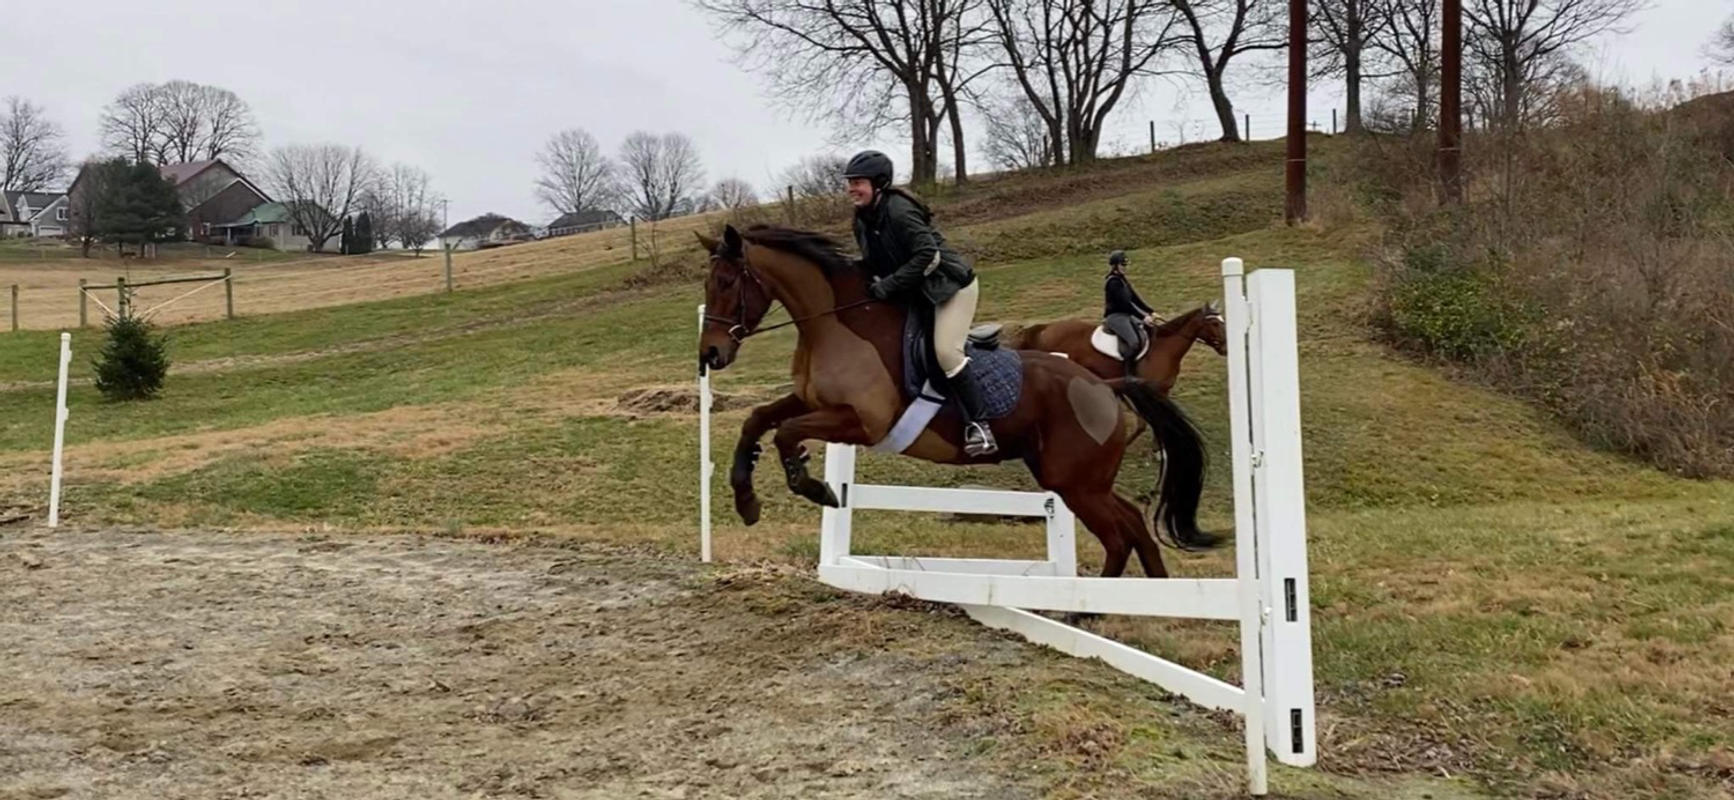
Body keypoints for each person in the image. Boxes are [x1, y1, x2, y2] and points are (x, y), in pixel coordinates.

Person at [844, 150, 997, 457]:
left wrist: (886, 286)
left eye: (857, 182)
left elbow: (927, 255)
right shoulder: (862, 219)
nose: (850, 189)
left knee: (945, 352)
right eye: (849, 182)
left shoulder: (899, 210)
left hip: (950, 288)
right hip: (917, 291)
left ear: (879, 183)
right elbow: (872, 262)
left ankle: (980, 426)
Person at [1102, 249, 1164, 378]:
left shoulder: (1122, 280)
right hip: (1116, 317)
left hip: (1127, 315)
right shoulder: (1113, 283)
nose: (1125, 268)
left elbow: (1135, 298)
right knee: (1134, 342)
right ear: (1115, 266)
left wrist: (1151, 312)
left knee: (1150, 330)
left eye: (1126, 265)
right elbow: (1125, 304)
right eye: (1122, 265)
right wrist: (1143, 317)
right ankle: (1127, 374)